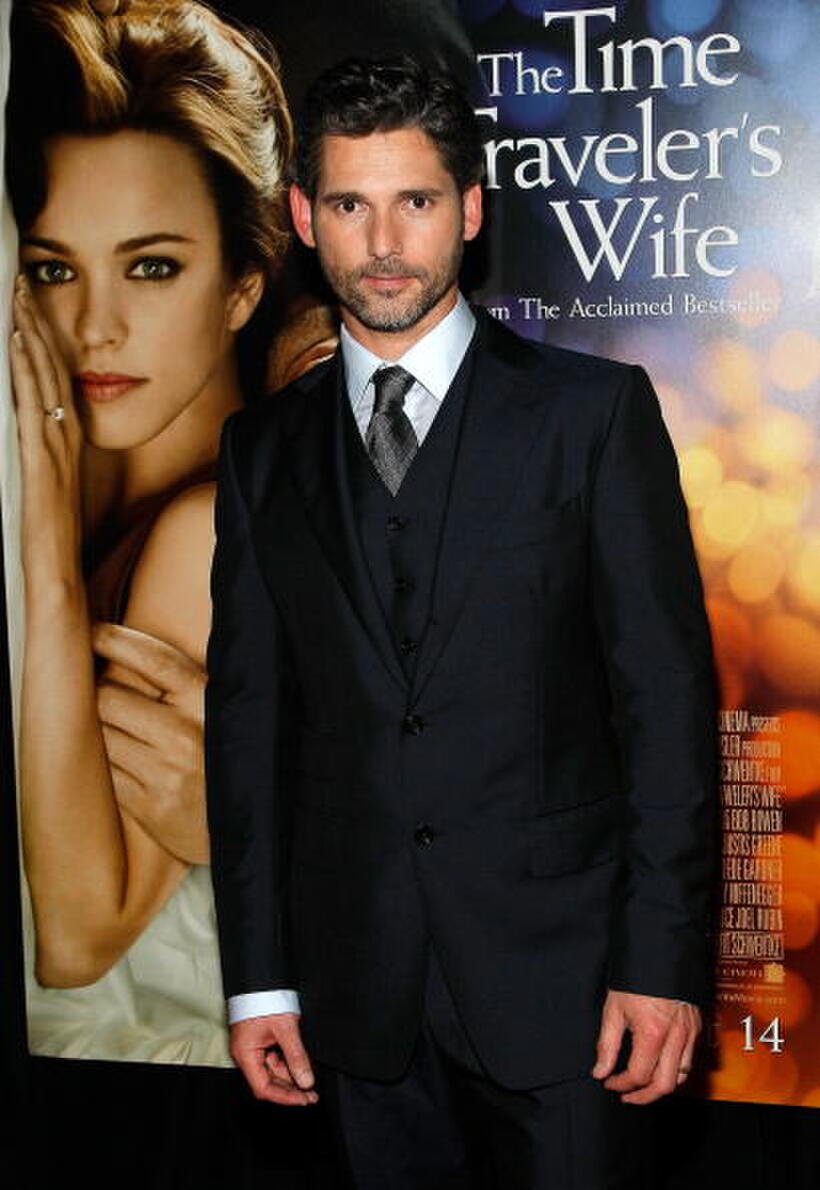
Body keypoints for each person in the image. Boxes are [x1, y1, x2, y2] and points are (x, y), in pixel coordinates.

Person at [205, 56, 718, 1188]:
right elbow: (246, 735)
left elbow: (666, 710)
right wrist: (259, 978)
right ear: (302, 217)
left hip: (574, 992)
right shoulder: (260, 453)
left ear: (471, 211)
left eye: (416, 201)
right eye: (349, 203)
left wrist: (661, 961)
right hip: (355, 999)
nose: (383, 240)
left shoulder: (589, 419)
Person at [8, 0, 293, 1064]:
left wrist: (43, 551)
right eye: (52, 267)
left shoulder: (213, 525)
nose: (94, 326)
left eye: (153, 265)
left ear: (242, 287)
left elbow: (76, 939)